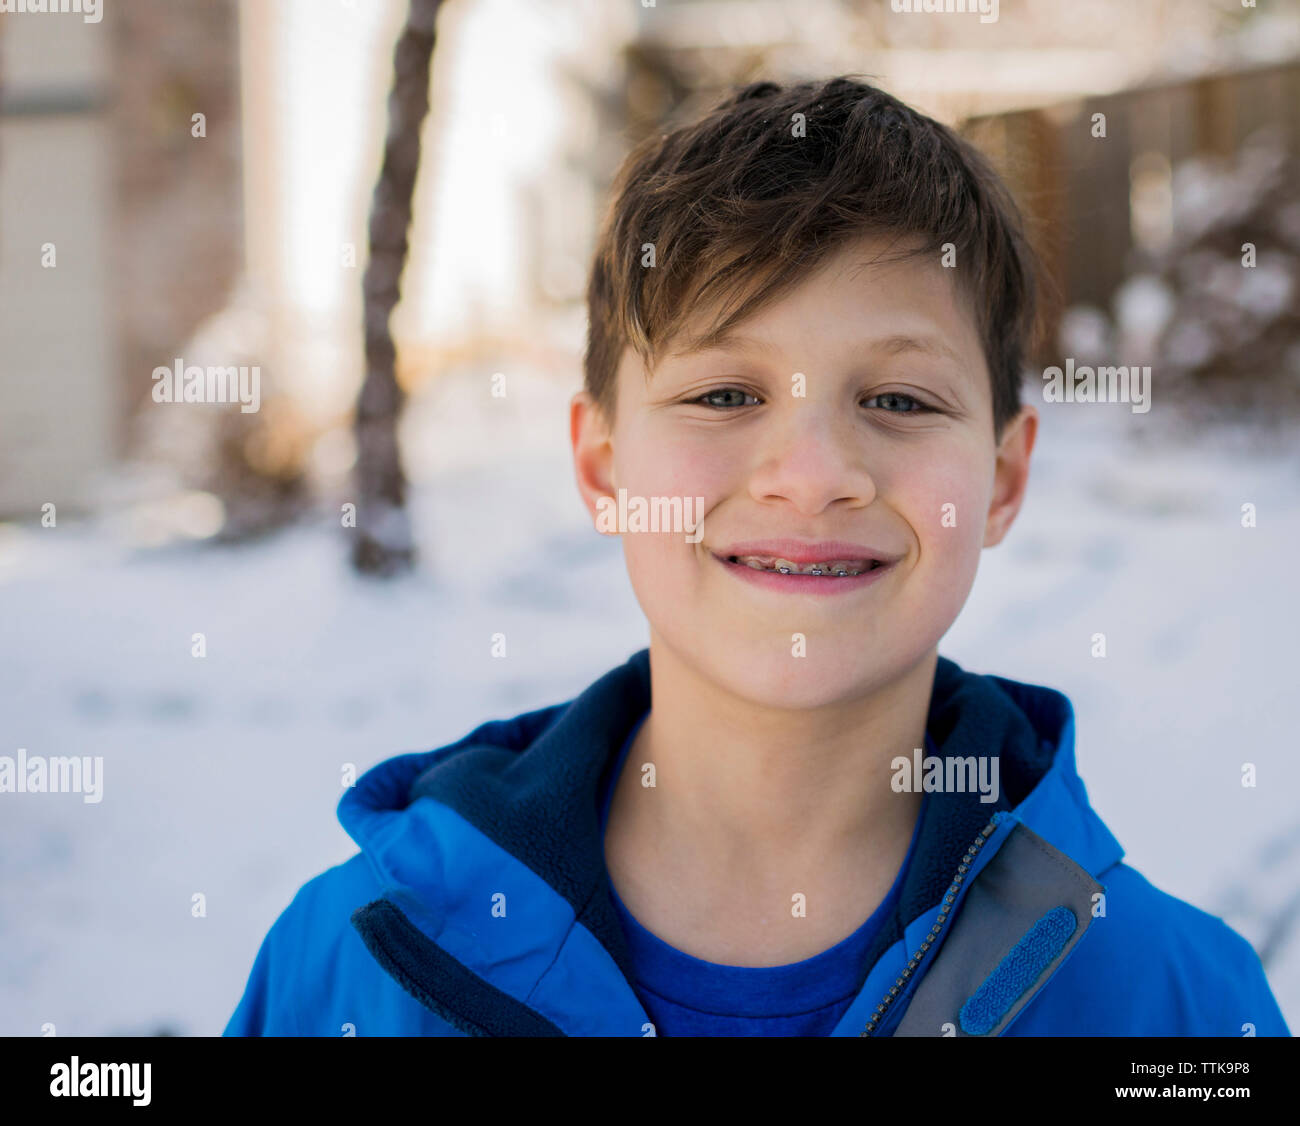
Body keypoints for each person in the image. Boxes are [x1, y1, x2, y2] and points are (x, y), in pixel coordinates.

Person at [225, 76, 1289, 1036]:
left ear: (1003, 480)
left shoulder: (1171, 1000)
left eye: (899, 400)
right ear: (602, 466)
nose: (814, 472)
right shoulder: (349, 973)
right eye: (725, 394)